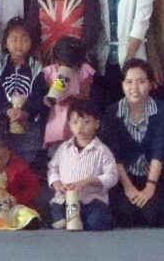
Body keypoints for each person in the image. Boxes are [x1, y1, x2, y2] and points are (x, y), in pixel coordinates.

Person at [100, 59, 164, 229]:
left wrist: (150, 186)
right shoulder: (112, 113)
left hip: (155, 178)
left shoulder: (163, 111)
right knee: (125, 214)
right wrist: (128, 188)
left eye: (141, 81)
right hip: (124, 179)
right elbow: (114, 155)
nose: (134, 88)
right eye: (129, 82)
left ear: (151, 84)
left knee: (153, 215)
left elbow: (160, 151)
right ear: (122, 85)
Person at [47, 98, 117, 231]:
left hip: (91, 199)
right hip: (66, 198)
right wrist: (57, 184)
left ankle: (84, 219)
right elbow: (53, 169)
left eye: (86, 122)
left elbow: (112, 176)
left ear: (97, 124)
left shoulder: (102, 150)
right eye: (75, 122)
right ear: (69, 125)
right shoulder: (64, 148)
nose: (80, 127)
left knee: (98, 222)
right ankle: (66, 218)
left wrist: (88, 181)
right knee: (56, 209)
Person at [0, 18, 45, 166]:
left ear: (31, 43)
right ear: (5, 43)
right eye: (14, 39)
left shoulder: (37, 68)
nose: (19, 44)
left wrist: (26, 112)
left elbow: (38, 95)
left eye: (24, 39)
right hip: (3, 125)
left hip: (29, 126)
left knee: (26, 163)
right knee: (4, 162)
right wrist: (7, 110)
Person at [40, 36, 94, 152]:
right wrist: (51, 97)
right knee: (56, 150)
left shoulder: (83, 70)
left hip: (76, 114)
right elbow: (44, 92)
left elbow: (86, 94)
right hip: (56, 116)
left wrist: (72, 97)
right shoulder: (50, 71)